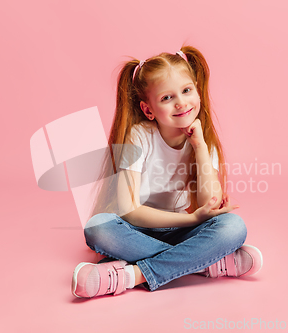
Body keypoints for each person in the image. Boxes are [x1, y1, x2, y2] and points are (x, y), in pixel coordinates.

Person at [71, 45, 263, 298]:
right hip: (138, 230)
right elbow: (130, 210)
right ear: (148, 109)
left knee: (233, 227)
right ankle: (204, 263)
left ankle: (131, 275)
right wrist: (193, 220)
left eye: (186, 91)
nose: (181, 102)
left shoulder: (204, 142)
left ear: (197, 91)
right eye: (166, 98)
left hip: (184, 232)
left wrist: (200, 147)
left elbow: (210, 205)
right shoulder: (138, 136)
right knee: (98, 227)